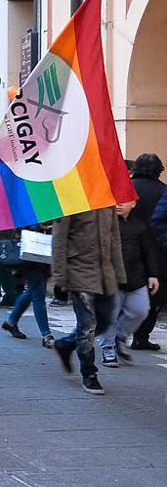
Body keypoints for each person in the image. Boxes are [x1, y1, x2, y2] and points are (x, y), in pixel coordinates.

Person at [51, 208, 126, 394]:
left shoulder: (107, 201)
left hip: (105, 274)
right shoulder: (71, 201)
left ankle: (65, 344)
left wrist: (120, 274)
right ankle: (89, 373)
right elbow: (59, 240)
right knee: (88, 326)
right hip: (79, 271)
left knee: (104, 323)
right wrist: (59, 277)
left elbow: (115, 239)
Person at [98, 157, 160, 366]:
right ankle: (108, 348)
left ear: (134, 203)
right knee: (111, 313)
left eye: (124, 201)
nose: (119, 204)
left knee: (140, 310)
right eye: (116, 200)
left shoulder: (139, 226)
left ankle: (121, 336)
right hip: (111, 277)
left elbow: (148, 250)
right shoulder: (106, 224)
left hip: (136, 277)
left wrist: (152, 274)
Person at [137, 156, 167, 351]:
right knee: (155, 296)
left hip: (129, 248)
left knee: (128, 293)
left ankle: (118, 337)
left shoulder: (128, 188)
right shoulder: (163, 190)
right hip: (157, 251)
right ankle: (141, 336)